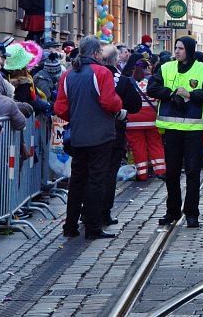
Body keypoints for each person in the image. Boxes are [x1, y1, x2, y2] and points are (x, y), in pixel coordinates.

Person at [54, 36, 123, 239]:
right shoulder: (101, 72)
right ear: (96, 53)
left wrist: (76, 116)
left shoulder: (67, 75)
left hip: (78, 135)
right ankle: (92, 227)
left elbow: (60, 108)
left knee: (77, 180)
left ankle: (70, 226)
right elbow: (110, 102)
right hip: (101, 134)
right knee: (96, 181)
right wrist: (118, 108)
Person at [147, 36, 203, 228]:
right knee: (171, 173)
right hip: (171, 130)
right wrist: (171, 94)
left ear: (189, 50)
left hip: (193, 130)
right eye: (176, 48)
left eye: (180, 48)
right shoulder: (166, 67)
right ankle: (172, 211)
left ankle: (192, 213)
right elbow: (152, 88)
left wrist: (191, 95)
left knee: (193, 173)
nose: (177, 51)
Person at [100, 44, 141, 226]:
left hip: (91, 132)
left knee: (91, 173)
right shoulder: (122, 80)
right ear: (116, 60)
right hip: (115, 132)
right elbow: (135, 105)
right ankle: (104, 213)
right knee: (109, 174)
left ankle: (87, 211)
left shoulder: (91, 76)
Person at [124, 59, 166, 180]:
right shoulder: (153, 81)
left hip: (133, 121)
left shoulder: (128, 81)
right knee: (156, 145)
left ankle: (142, 174)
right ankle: (160, 171)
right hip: (152, 120)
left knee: (138, 148)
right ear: (148, 68)